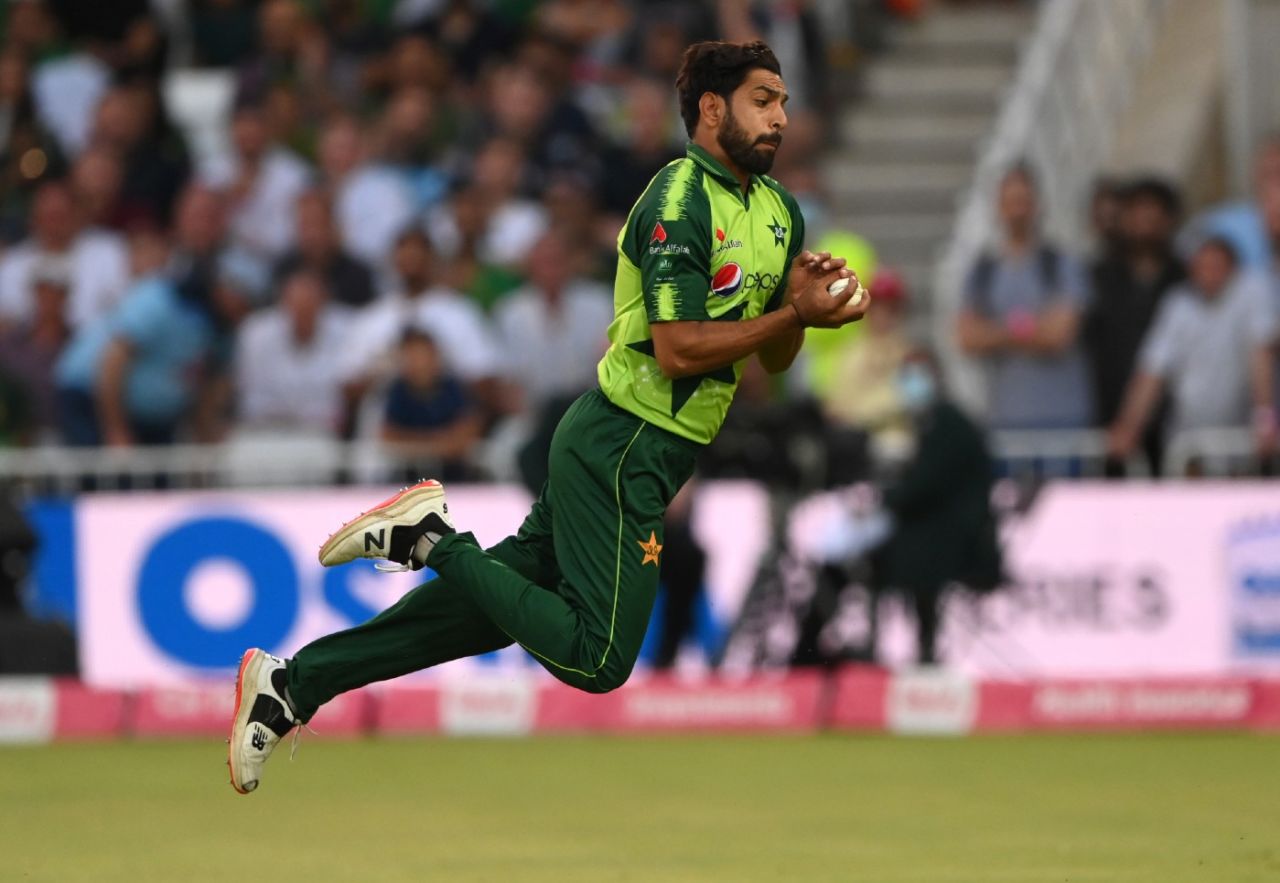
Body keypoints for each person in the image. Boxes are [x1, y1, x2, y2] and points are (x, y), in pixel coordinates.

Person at [228, 39, 869, 794]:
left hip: (644, 449)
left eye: (785, 103)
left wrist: (803, 312)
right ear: (710, 109)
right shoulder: (678, 200)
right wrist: (790, 309)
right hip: (623, 441)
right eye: (764, 100)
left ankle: (294, 685)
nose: (781, 119)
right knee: (599, 659)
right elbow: (677, 349)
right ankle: (429, 536)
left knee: (477, 613)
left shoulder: (779, 211)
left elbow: (774, 361)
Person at [1108, 236, 1277, 470]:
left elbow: (1261, 357)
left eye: (1216, 267)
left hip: (1243, 443)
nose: (1208, 274)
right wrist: (1129, 425)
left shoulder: (1252, 293)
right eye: (1202, 267)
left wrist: (1265, 417)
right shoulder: (1177, 305)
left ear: (1233, 268)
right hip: (1189, 445)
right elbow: (1152, 371)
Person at [955, 163, 1092, 430]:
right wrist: (1028, 327)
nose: (1017, 211)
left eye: (1023, 201)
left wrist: (996, 332)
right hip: (1006, 419)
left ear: (1037, 205)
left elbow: (1059, 335)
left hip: (1062, 418)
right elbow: (967, 338)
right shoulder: (984, 270)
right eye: (1010, 202)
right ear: (998, 207)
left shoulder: (1060, 264)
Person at [1083, 177, 1185, 475]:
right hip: (1109, 421)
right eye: (1137, 213)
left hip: (1173, 426)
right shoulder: (1098, 277)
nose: (1145, 223)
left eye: (1153, 215)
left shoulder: (1184, 279)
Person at [379, 327, 484, 482]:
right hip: (407, 480)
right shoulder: (397, 391)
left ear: (435, 356)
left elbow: (468, 433)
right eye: (411, 357)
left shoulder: (454, 388)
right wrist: (437, 445)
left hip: (456, 478)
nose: (418, 364)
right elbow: (388, 437)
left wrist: (417, 444)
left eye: (422, 356)